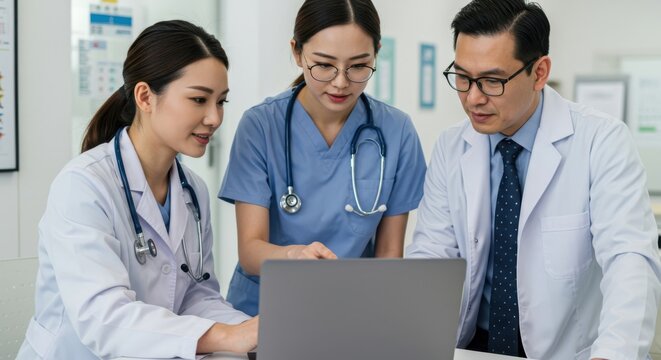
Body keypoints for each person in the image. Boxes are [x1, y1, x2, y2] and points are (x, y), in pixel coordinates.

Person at [406, 0, 661, 359]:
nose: (472, 98)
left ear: (539, 72)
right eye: (462, 77)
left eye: (492, 81)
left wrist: (614, 352)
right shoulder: (452, 146)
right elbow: (432, 254)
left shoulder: (600, 140)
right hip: (471, 347)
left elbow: (629, 257)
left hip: (566, 351)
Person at [17, 20, 257, 360]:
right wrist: (224, 336)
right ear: (145, 96)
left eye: (221, 102)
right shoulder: (83, 186)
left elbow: (196, 295)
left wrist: (252, 334)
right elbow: (103, 318)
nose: (215, 117)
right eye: (199, 99)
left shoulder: (193, 192)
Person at [219, 0, 426, 316]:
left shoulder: (396, 131)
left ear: (376, 53)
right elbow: (250, 250)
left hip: (352, 311)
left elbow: (388, 255)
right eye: (325, 65)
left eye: (358, 66)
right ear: (297, 52)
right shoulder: (261, 126)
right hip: (263, 312)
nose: (341, 82)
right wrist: (295, 257)